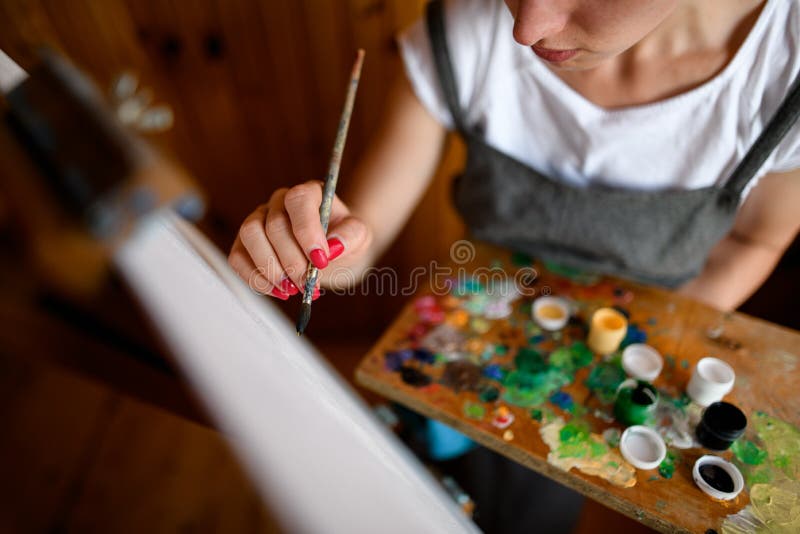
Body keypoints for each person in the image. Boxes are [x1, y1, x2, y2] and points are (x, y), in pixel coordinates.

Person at [228, 0, 800, 530]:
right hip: (465, 344)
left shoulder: (785, 68)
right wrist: (321, 249)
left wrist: (620, 360)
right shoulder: (463, 26)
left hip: (612, 378)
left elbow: (752, 244)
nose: (526, 30)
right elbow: (364, 236)